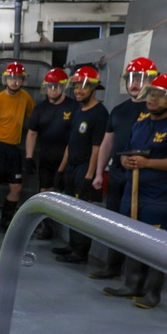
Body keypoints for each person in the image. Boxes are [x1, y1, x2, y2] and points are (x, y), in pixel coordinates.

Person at [102, 73, 167, 308]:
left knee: (157, 245)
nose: (152, 99)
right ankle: (131, 285)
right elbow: (125, 152)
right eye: (151, 94)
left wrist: (148, 163)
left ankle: (152, 293)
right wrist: (125, 161)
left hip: (159, 197)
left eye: (159, 96)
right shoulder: (140, 125)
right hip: (132, 191)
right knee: (132, 239)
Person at [90, 57, 157, 279]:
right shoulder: (118, 110)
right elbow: (107, 143)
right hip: (117, 175)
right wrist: (100, 172)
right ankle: (113, 266)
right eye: (132, 78)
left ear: (152, 81)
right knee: (114, 223)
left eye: (141, 78)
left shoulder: (156, 109)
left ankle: (136, 277)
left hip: (143, 179)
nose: (135, 83)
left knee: (137, 227)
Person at [52, 66, 109, 263]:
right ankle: (72, 245)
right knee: (71, 209)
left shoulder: (100, 114)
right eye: (76, 86)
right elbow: (71, 142)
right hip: (72, 167)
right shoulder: (78, 111)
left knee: (83, 211)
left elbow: (97, 148)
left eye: (82, 87)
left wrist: (89, 176)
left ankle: (81, 251)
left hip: (85, 168)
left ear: (93, 88)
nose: (78, 90)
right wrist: (61, 170)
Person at [24, 67, 79, 239]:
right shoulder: (40, 108)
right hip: (46, 158)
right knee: (44, 193)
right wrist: (29, 157)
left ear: (63, 87)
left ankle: (69, 235)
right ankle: (47, 227)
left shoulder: (73, 107)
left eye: (56, 87)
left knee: (67, 195)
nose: (52, 90)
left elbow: (75, 136)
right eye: (49, 87)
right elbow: (32, 133)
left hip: (67, 159)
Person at [0, 61, 35, 231]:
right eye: (11, 78)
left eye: (18, 78)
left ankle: (6, 221)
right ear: (5, 79)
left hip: (14, 148)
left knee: (16, 187)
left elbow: (34, 117)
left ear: (23, 80)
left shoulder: (25, 97)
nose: (15, 81)